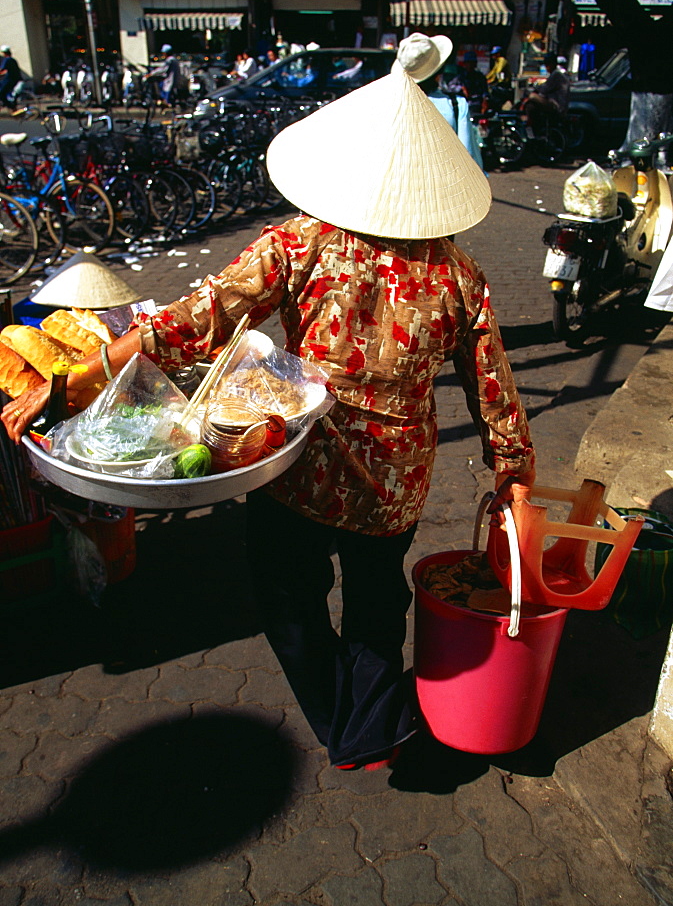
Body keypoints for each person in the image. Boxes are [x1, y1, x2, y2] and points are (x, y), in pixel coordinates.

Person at [3, 42, 535, 770]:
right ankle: (370, 727)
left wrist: (67, 385)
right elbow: (491, 381)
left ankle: (335, 719)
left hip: (297, 465)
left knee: (288, 600)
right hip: (395, 480)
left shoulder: (298, 243)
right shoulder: (459, 273)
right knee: (378, 608)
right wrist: (512, 467)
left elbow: (187, 323)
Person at [401, 33, 484, 170]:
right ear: (438, 74)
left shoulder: (391, 104)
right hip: (445, 187)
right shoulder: (456, 105)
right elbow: (469, 158)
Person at [522, 52, 570, 136]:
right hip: (553, 102)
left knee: (532, 96)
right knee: (531, 106)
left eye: (547, 65)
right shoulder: (555, 75)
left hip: (556, 106)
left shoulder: (556, 75)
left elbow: (544, 89)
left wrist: (535, 89)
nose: (546, 67)